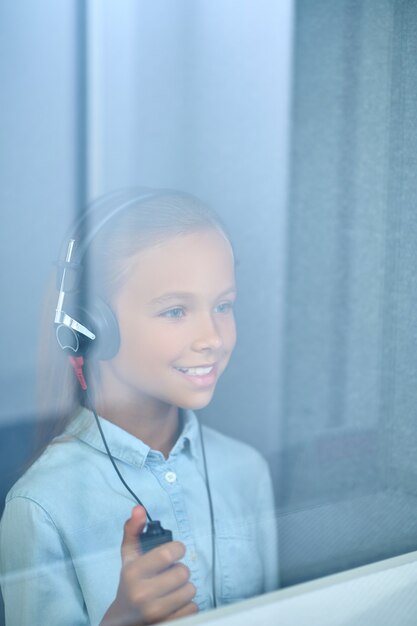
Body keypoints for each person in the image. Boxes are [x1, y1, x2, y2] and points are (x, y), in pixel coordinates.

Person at [0, 189, 278, 626]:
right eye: (175, 311)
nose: (213, 337)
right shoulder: (42, 507)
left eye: (223, 305)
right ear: (92, 327)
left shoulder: (245, 472)